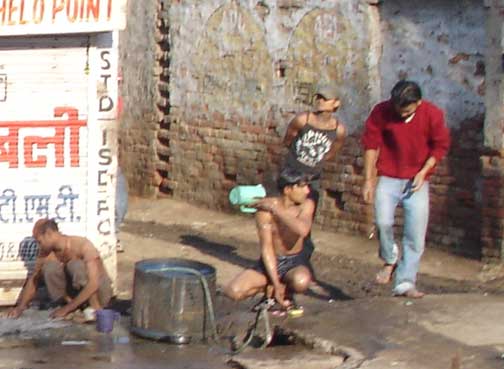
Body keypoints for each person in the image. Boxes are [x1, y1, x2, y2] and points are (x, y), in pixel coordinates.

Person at [361, 80, 450, 298]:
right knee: (382, 222)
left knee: (415, 234)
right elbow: (371, 145)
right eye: (398, 110)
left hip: (417, 180)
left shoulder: (432, 114)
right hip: (389, 176)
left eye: (407, 111)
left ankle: (405, 281)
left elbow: (440, 146)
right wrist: (368, 179)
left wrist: (424, 171)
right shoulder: (382, 111)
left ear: (418, 103)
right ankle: (390, 259)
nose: (401, 115)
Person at [224, 169, 315, 309]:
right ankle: (272, 289)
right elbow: (267, 247)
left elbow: (302, 230)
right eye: (302, 186)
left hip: (294, 262)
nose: (307, 191)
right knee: (234, 291)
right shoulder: (264, 211)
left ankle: (286, 291)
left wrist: (275, 209)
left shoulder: (306, 205)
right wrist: (275, 282)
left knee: (301, 281)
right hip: (271, 260)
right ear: (288, 189)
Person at [7, 218, 113, 320]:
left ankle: (94, 310)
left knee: (74, 265)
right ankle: (74, 307)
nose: (39, 246)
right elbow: (33, 280)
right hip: (73, 300)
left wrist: (66, 309)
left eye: (39, 242)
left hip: (99, 294)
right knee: (49, 268)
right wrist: (20, 307)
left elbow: (94, 284)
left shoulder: (82, 245)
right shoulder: (46, 253)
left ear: (49, 234)